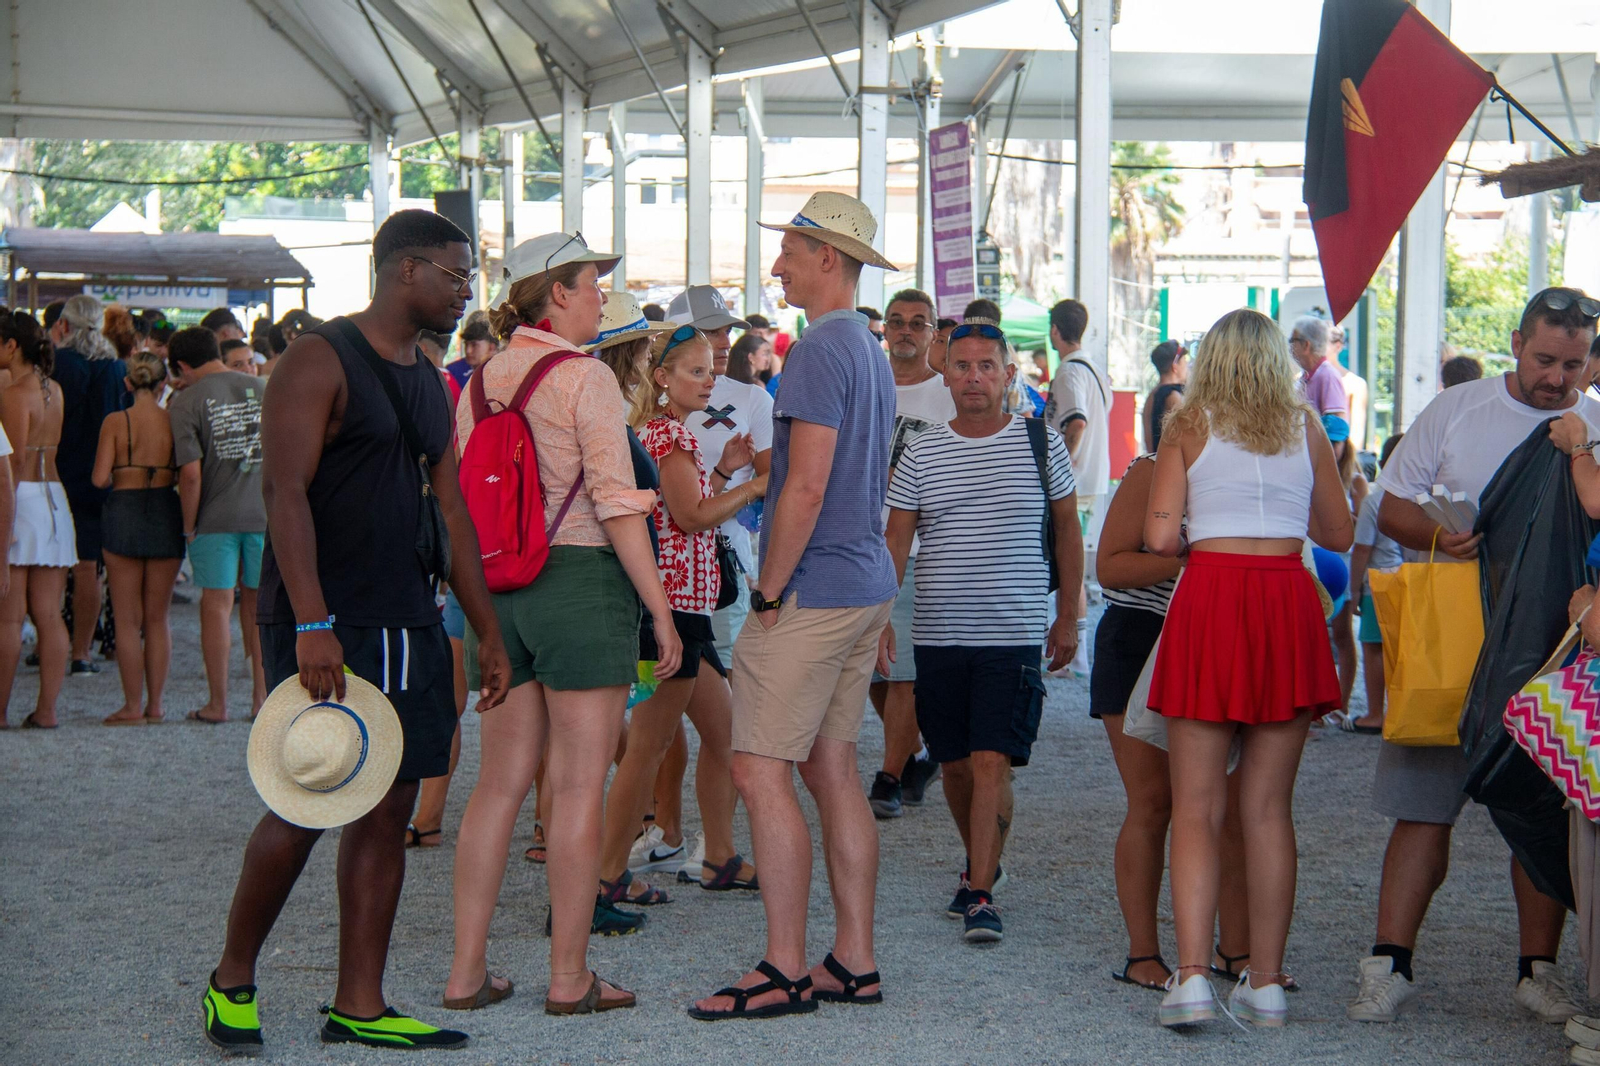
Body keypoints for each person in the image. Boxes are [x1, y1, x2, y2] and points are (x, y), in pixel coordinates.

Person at [203, 210, 510, 1054]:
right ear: (404, 270)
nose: (464, 292)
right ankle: (233, 979)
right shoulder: (317, 359)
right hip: (324, 619)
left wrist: (485, 630)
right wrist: (311, 620)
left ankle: (359, 1005)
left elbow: (450, 509)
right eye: (454, 275)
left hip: (407, 614)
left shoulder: (427, 376)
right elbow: (284, 494)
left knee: (390, 808)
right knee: (307, 796)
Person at [445, 230, 679, 1014]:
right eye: (590, 284)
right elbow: (616, 505)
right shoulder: (585, 379)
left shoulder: (478, 383)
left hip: (498, 589)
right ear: (556, 294)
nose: (600, 297)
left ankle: (466, 971)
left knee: (498, 786)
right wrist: (659, 610)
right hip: (579, 584)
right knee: (579, 788)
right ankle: (569, 977)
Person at [1352, 287, 1600, 1025]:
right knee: (1423, 808)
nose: (1558, 378)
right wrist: (1436, 535)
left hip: (1547, 653)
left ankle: (1539, 972)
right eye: (1546, 359)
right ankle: (1388, 964)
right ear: (1517, 342)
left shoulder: (1593, 423)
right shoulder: (1457, 409)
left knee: (1540, 811)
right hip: (1451, 639)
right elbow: (1391, 503)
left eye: (1575, 364)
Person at [691, 190, 896, 1020]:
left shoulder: (815, 350)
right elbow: (826, 466)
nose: (778, 264)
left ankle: (780, 967)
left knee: (759, 767)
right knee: (832, 767)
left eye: (791, 250)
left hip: (812, 590)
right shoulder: (866, 346)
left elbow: (807, 487)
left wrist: (769, 590)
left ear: (829, 261)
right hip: (864, 582)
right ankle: (852, 959)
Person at [1145, 308, 1353, 1030]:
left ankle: (1194, 977)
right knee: (1268, 808)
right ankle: (1265, 982)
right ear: (1277, 360)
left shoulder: (1188, 425)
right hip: (1286, 604)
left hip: (1212, 597)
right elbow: (1338, 533)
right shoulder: (1306, 430)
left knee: (1196, 808)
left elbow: (1159, 536)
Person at [881, 320, 1082, 944]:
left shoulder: (1041, 444)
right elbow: (897, 540)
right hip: (938, 634)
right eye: (962, 366)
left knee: (994, 759)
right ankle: (977, 864)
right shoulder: (922, 450)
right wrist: (883, 618)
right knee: (956, 764)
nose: (973, 377)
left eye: (986, 366)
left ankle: (981, 891)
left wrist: (1069, 613)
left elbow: (1070, 532)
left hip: (1014, 632)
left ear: (1007, 375)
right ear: (947, 375)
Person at [593, 324, 766, 908]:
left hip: (681, 609)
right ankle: (606, 874)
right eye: (696, 370)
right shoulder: (671, 435)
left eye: (711, 370)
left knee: (726, 736)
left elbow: (677, 511)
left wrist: (724, 475)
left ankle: (718, 855)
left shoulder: (663, 432)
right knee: (648, 747)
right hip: (672, 611)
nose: (710, 379)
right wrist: (752, 485)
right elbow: (690, 519)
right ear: (662, 378)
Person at [867, 287, 952, 820]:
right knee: (871, 673)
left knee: (903, 671)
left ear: (932, 333)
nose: (904, 330)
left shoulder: (948, 394)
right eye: (896, 321)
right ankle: (917, 754)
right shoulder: (866, 385)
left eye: (917, 323)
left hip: (922, 548)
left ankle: (890, 775)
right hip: (859, 544)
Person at [167, 327, 269, 723]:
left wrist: (188, 525)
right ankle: (261, 699)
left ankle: (218, 703)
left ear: (182, 365)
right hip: (264, 514)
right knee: (260, 608)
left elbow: (190, 474)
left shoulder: (185, 400)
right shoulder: (263, 387)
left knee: (216, 606)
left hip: (214, 518)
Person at [92, 350, 183, 726]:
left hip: (123, 511)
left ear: (127, 383)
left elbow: (99, 478)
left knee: (127, 620)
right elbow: (185, 471)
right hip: (164, 508)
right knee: (157, 618)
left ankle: (131, 706)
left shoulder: (116, 421)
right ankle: (156, 705)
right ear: (164, 383)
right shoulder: (174, 419)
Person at [48, 294, 123, 677]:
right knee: (88, 567)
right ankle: (81, 653)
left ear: (64, 326)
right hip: (103, 477)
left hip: (58, 473)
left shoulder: (60, 364)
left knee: (50, 566)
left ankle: (50, 645)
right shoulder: (115, 368)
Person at [0, 311, 64, 728]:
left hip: (21, 497)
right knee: (49, 613)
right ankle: (47, 710)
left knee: (9, 616)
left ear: (11, 346)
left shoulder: (14, 393)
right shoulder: (53, 389)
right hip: (55, 499)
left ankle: (1, 712)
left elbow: (13, 461)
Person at [1044, 298, 1110, 677]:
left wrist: (1061, 467)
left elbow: (1077, 423)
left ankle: (1075, 655)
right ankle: (1076, 653)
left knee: (1068, 567)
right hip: (1090, 480)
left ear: (1055, 330)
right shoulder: (1094, 369)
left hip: (1074, 484)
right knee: (1072, 566)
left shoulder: (1069, 372)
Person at [1344, 433, 1404, 735]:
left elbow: (1363, 549)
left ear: (1382, 463)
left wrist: (1353, 591)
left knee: (1374, 648)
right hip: (1408, 578)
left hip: (1379, 582)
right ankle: (1398, 710)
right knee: (1400, 649)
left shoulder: (1374, 501)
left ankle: (1374, 714)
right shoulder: (1417, 494)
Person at [1323, 413, 1367, 720]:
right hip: (1319, 558)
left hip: (1347, 559)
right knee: (1314, 635)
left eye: (1334, 443)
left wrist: (1336, 512)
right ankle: (1321, 704)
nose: (1328, 447)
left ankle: (1343, 701)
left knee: (1342, 634)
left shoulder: (1356, 481)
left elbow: (1365, 527)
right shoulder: (1311, 472)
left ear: (1345, 445)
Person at [1289, 315, 1348, 420]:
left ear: (1306, 345)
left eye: (1293, 340)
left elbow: (1337, 427)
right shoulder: (1307, 375)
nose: (1290, 346)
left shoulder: (1327, 375)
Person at [1143, 339, 1188, 452]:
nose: (1186, 367)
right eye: (1184, 362)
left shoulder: (1152, 395)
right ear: (1175, 366)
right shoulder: (1173, 397)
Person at [446, 309, 495, 392]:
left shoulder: (505, 371)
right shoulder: (453, 372)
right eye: (466, 344)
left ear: (491, 347)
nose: (468, 351)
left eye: (474, 345)